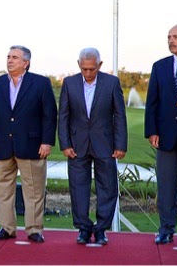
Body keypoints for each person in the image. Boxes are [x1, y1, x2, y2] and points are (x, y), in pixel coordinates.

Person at [0, 45, 57, 243]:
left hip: (32, 145)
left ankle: (34, 229)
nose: (9, 60)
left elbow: (49, 116)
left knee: (34, 191)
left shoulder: (40, 83)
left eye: (15, 57)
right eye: (8, 56)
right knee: (3, 190)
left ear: (26, 62)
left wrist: (47, 142)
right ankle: (6, 228)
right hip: (2, 145)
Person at [58, 48, 127, 245]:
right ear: (78, 64)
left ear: (100, 65)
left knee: (107, 187)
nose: (88, 73)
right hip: (76, 145)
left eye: (92, 69)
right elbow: (63, 116)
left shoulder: (111, 83)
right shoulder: (69, 83)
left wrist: (120, 144)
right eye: (84, 69)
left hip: (105, 143)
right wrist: (65, 144)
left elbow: (119, 115)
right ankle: (83, 228)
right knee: (78, 187)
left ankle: (101, 229)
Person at [145, 24, 177, 244]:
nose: (171, 40)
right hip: (165, 138)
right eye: (169, 37)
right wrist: (151, 131)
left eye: (175, 37)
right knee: (166, 187)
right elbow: (152, 103)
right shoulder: (160, 67)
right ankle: (166, 229)